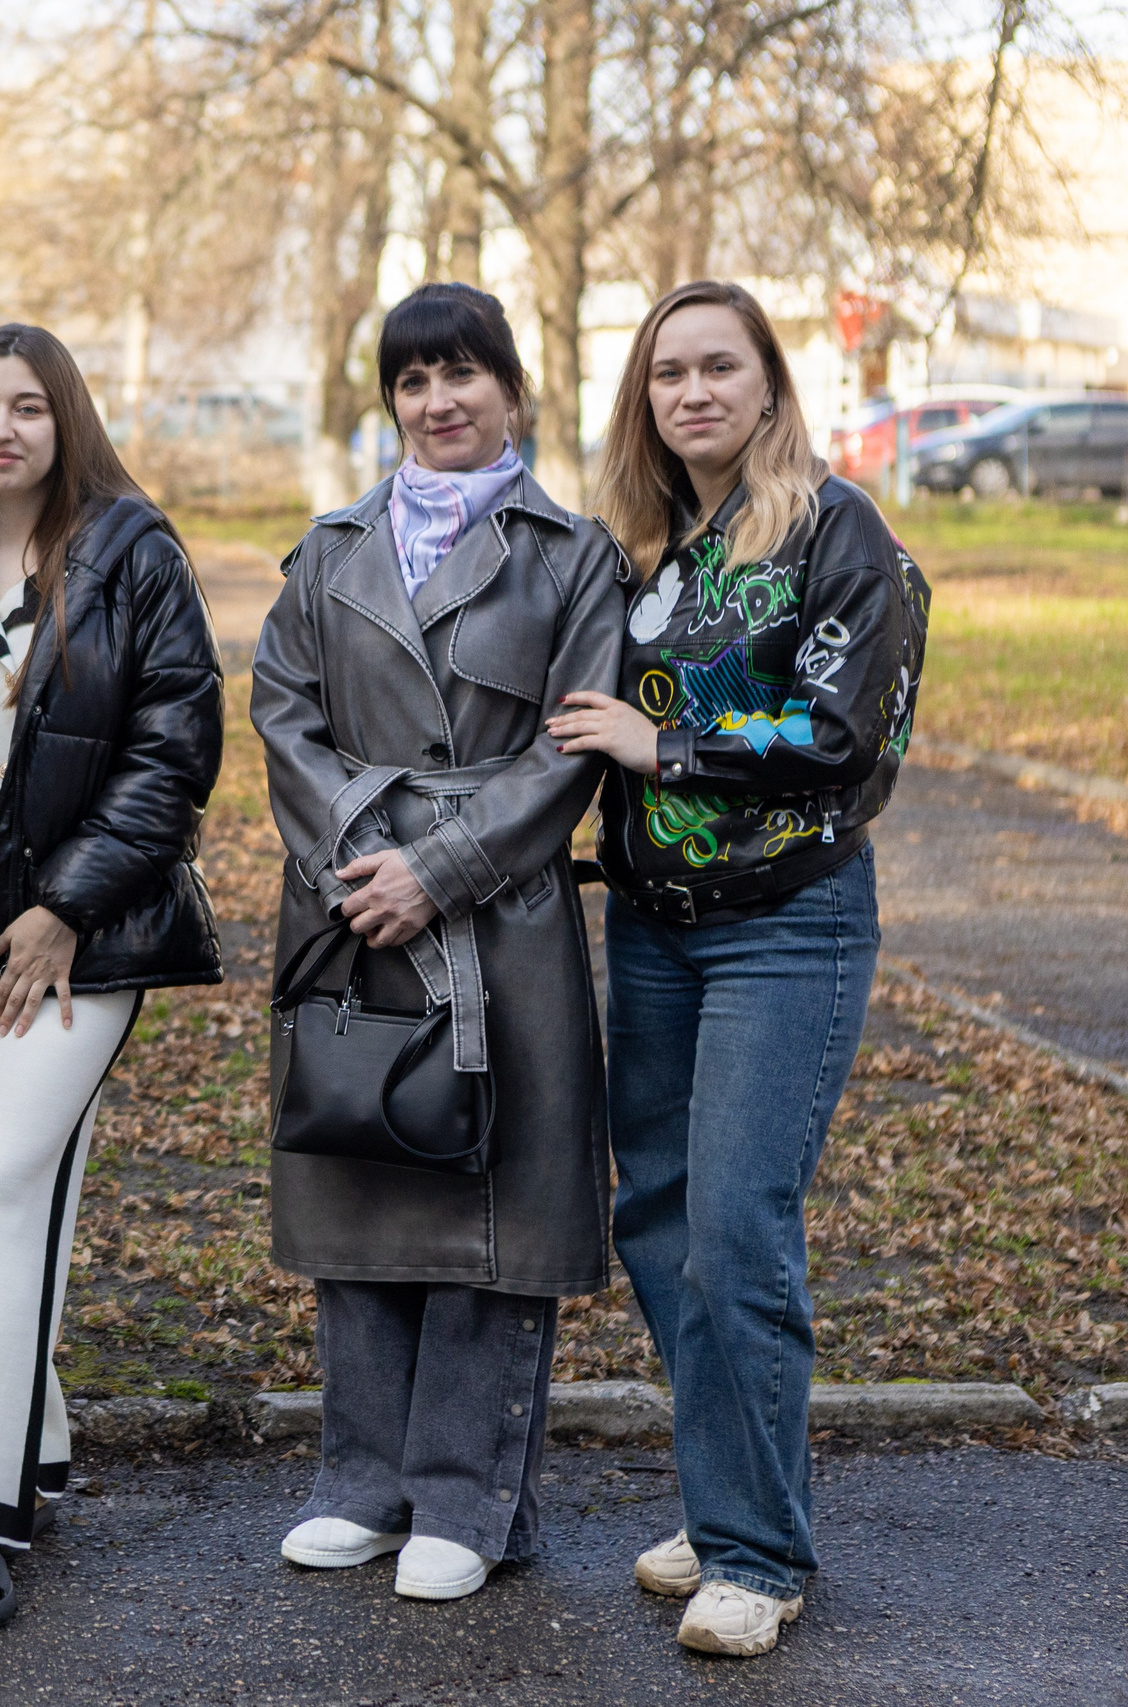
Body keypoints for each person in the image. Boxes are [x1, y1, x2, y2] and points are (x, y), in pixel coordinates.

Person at [553, 279, 926, 1658]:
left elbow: (844, 734)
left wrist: (667, 748)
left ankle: (758, 1556)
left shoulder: (837, 530)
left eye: (720, 366)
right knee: (655, 1220)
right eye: (669, 373)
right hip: (653, 926)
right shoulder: (643, 546)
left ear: (768, 382)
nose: (694, 392)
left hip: (788, 923)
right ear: (643, 399)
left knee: (734, 1232)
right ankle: (731, 1505)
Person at [250, 283, 627, 1604]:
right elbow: (282, 712)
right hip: (353, 900)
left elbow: (573, 747)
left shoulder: (572, 556)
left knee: (489, 1202)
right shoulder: (330, 548)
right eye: (412, 380)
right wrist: (363, 861)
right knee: (362, 1167)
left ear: (512, 391)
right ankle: (362, 1483)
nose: (438, 400)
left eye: (462, 373)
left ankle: (469, 1498)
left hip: (498, 914)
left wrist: (442, 867)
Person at [0, 324, 221, 1630]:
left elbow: (174, 752)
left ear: (67, 418)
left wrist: (66, 907)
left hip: (71, 944)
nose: (0, 428)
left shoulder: (133, 553)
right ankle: (30, 1437)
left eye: (26, 405)